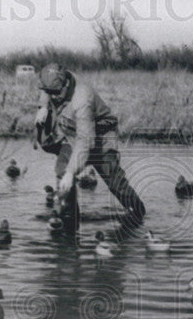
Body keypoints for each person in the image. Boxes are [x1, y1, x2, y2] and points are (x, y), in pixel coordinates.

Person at [35, 62, 146, 231]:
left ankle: (138, 213)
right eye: (50, 93)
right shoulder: (59, 77)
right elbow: (46, 88)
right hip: (74, 134)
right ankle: (69, 220)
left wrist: (72, 173)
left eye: (56, 93)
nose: (54, 97)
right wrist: (43, 107)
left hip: (100, 137)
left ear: (66, 85)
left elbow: (85, 141)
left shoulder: (82, 99)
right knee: (62, 172)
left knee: (114, 182)